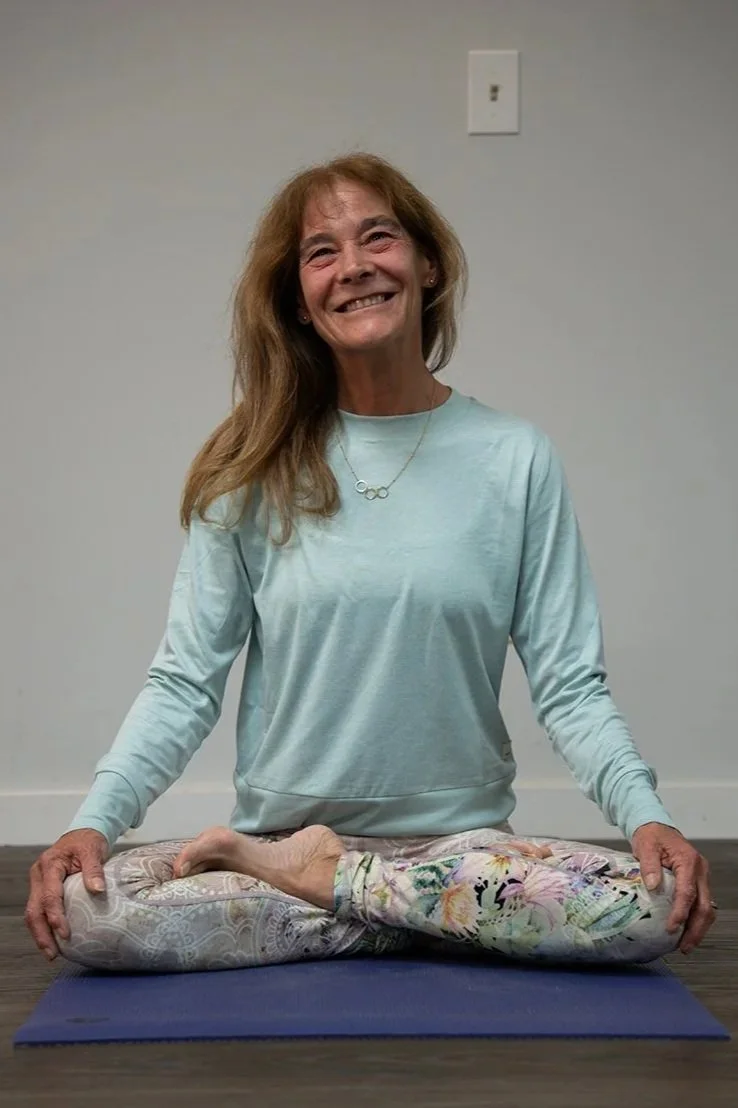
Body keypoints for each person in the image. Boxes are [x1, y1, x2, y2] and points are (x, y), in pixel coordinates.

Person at [25, 153, 716, 973]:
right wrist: (92, 822)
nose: (353, 267)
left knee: (656, 905)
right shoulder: (250, 464)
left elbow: (569, 684)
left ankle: (334, 889)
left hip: (456, 846)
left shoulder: (515, 457)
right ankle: (434, 917)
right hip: (299, 846)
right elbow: (184, 679)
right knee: (86, 910)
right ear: (299, 302)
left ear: (427, 264)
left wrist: (646, 817)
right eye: (321, 252)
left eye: (377, 237)